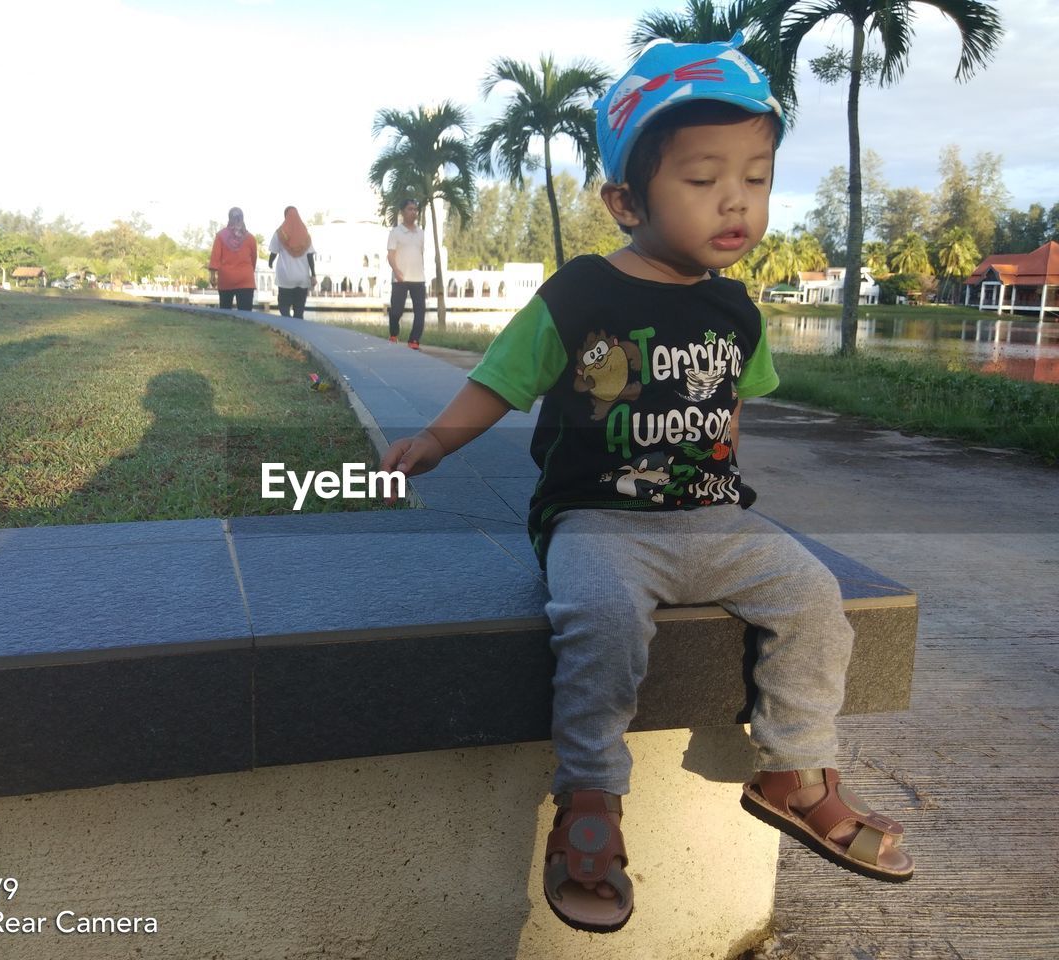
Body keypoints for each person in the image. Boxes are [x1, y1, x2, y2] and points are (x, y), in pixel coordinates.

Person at [379, 32, 913, 934]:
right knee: (600, 620)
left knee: (815, 595)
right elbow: (500, 380)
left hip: (706, 516)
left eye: (755, 178)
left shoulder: (738, 308)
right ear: (625, 198)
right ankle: (591, 799)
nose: (734, 201)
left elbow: (727, 408)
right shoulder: (581, 294)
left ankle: (794, 771)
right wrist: (434, 441)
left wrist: (726, 491)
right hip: (597, 519)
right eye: (703, 180)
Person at [385, 198, 426, 349]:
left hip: (418, 278)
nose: (413, 212)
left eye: (415, 209)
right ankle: (394, 333)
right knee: (396, 311)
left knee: (420, 311)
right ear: (402, 212)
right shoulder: (395, 233)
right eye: (410, 209)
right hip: (400, 278)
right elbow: (390, 255)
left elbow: (420, 253)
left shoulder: (421, 233)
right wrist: (396, 271)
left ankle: (414, 340)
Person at [268, 206, 317, 318]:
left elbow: (273, 253)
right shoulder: (306, 235)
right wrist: (313, 274)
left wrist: (270, 262)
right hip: (302, 278)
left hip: (286, 277)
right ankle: (298, 330)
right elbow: (310, 256)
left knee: (283, 307)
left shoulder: (280, 233)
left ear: (285, 216)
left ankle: (287, 327)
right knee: (299, 310)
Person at [208, 207, 257, 310]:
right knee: (246, 316)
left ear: (229, 218)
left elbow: (215, 257)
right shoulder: (250, 238)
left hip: (226, 279)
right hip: (246, 280)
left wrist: (212, 275)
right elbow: (253, 260)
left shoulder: (221, 236)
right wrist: (249, 272)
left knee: (225, 314)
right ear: (242, 218)